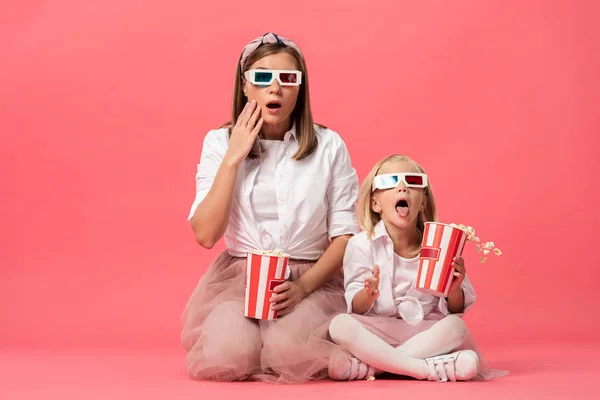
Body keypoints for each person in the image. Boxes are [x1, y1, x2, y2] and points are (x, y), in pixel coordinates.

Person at [181, 32, 360, 383]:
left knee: (289, 352)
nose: (274, 88)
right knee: (225, 354)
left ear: (300, 89)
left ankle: (282, 342)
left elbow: (345, 234)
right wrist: (233, 158)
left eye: (287, 78)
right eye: (262, 77)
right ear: (245, 86)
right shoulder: (218, 142)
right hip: (239, 278)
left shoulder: (328, 145)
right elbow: (205, 234)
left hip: (310, 277)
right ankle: (258, 340)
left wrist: (303, 286)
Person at [327, 154, 505, 382]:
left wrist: (453, 290)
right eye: (390, 182)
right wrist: (368, 295)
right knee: (339, 325)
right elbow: (357, 307)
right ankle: (425, 369)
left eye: (412, 182)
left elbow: (454, 310)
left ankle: (375, 367)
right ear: (375, 204)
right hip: (377, 332)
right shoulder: (360, 244)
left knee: (456, 326)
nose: (402, 188)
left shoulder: (441, 244)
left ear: (422, 202)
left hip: (424, 333)